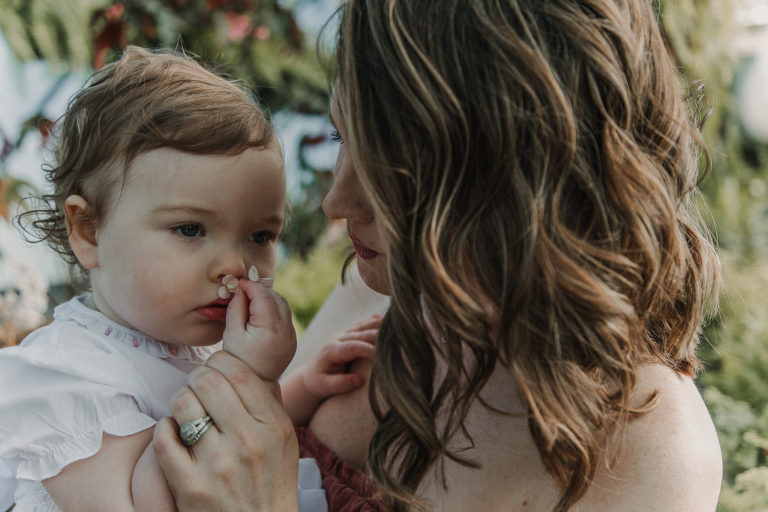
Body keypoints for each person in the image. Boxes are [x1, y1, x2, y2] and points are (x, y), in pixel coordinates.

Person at [153, 1, 724, 511]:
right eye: (340, 139)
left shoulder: (650, 453)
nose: (336, 201)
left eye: (391, 169)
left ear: (518, 177)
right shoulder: (378, 289)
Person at [0, 46, 376, 512]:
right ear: (89, 231)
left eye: (260, 234)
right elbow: (158, 499)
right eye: (190, 229)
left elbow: (250, 444)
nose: (235, 266)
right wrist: (249, 375)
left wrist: (302, 389)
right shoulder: (62, 379)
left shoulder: (197, 348)